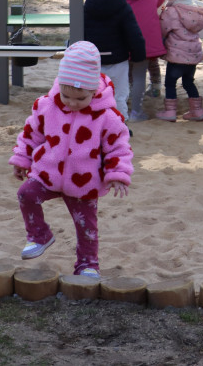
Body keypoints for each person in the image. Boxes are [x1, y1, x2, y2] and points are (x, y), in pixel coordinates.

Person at [8, 41, 133, 277]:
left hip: (84, 182)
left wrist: (117, 174)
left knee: (86, 226)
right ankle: (39, 235)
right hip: (47, 173)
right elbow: (30, 134)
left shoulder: (107, 117)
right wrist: (22, 159)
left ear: (93, 91)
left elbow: (118, 147)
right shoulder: (46, 106)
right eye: (66, 96)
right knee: (26, 193)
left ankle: (88, 264)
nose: (72, 103)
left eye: (80, 99)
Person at [105, 0, 166, 122]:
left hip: (123, 35)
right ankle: (136, 111)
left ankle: (122, 105)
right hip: (146, 35)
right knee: (140, 73)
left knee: (123, 72)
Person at [83, 0, 147, 118]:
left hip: (92, 59)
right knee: (119, 95)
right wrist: (139, 55)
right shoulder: (122, 5)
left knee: (92, 95)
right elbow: (133, 32)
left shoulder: (87, 5)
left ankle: (94, 125)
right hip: (118, 60)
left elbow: (80, 30)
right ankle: (119, 127)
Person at [156, 0, 203, 122]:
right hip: (193, 54)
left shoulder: (172, 11)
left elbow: (164, 29)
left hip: (177, 55)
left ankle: (170, 112)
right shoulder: (194, 10)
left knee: (170, 83)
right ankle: (197, 111)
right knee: (188, 82)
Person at [134, 0, 167, 99]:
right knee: (143, 60)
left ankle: (155, 86)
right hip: (147, 27)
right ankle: (151, 85)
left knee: (150, 60)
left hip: (148, 27)